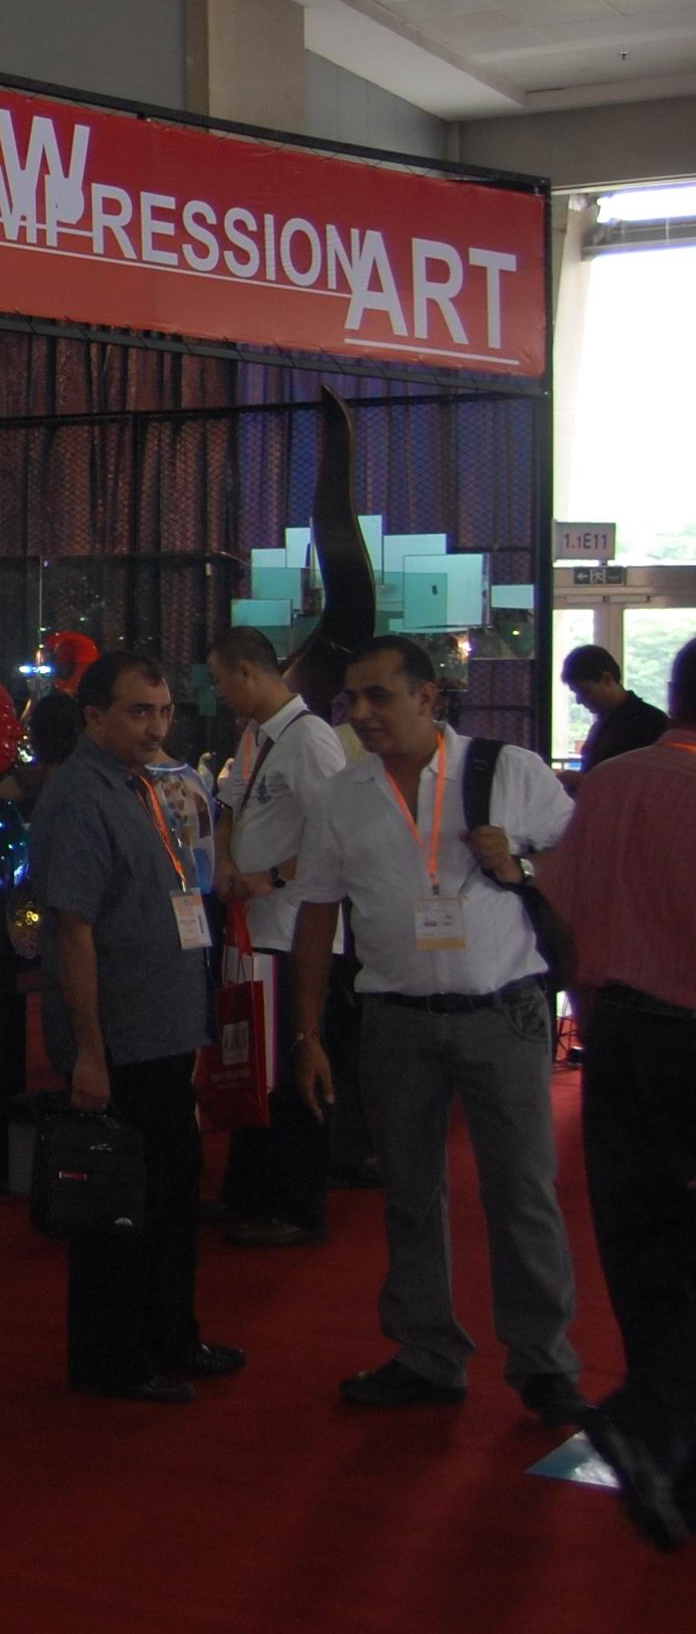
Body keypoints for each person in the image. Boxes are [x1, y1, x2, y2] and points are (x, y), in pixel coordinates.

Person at [286, 636, 588, 1427]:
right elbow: (317, 912)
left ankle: (545, 1363)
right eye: (352, 698)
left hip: (504, 1013)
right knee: (410, 1194)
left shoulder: (509, 770)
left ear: (428, 698)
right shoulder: (344, 794)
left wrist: (520, 864)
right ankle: (427, 1353)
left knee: (521, 1191)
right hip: (395, 1018)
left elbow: (581, 862)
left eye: (378, 695)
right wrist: (307, 1033)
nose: (361, 712)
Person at [32, 650, 243, 1402]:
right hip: (121, 1038)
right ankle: (114, 1357)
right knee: (118, 1205)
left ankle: (170, 1335)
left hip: (166, 1026)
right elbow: (73, 931)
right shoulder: (79, 796)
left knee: (172, 1194)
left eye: (164, 711)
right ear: (95, 717)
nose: (156, 728)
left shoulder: (145, 784)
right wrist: (89, 1051)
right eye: (138, 712)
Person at [542, 636, 696, 1549]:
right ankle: (651, 1421)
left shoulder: (610, 782)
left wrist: (594, 1020)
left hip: (620, 1032)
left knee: (642, 1243)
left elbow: (564, 915)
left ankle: (669, 1448)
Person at [210, 625, 358, 1248]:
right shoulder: (255, 736)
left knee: (297, 1067)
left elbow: (338, 836)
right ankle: (252, 1192)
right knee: (256, 1071)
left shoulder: (310, 739)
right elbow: (228, 807)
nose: (219, 693)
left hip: (298, 934)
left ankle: (296, 1204)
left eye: (221, 680)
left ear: (248, 672)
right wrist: (225, 861)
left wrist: (269, 876)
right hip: (253, 932)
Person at [564, 644, 668, 775]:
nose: (579, 700)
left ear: (607, 679)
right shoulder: (600, 727)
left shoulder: (652, 724)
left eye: (585, 691)